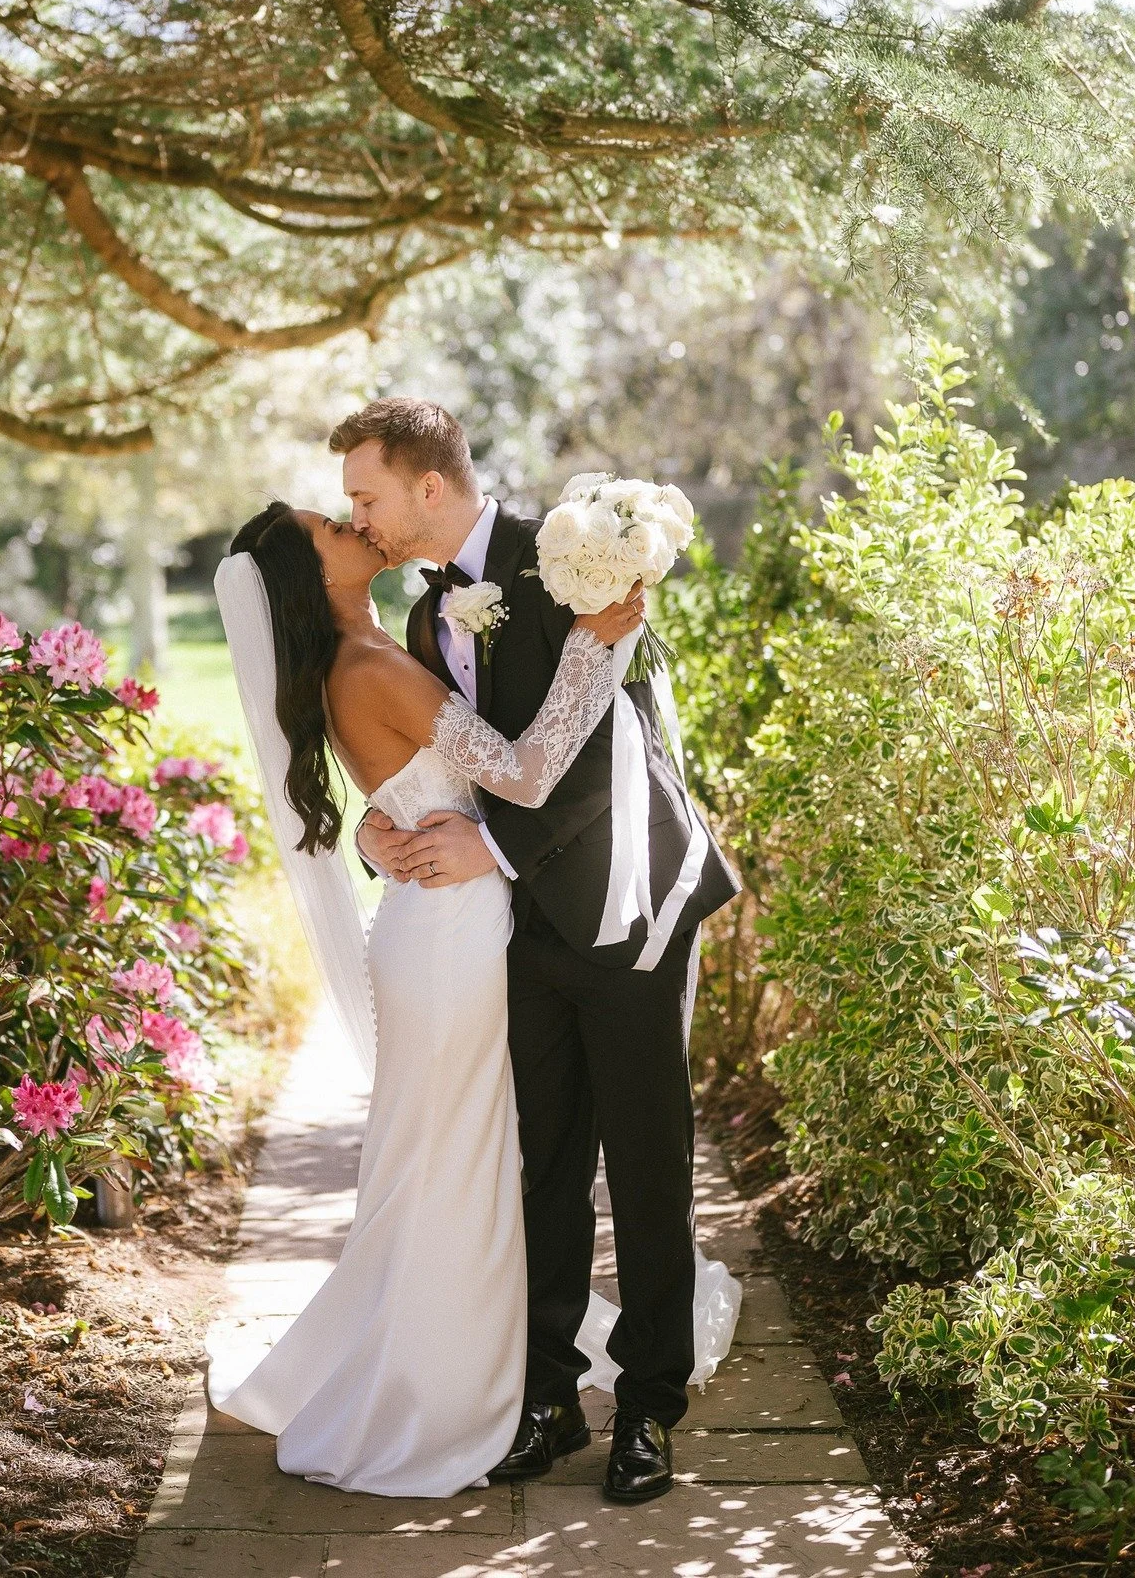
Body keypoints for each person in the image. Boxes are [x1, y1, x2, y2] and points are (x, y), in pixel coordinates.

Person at [333, 400, 741, 1503]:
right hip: (515, 932)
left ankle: (650, 1408)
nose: (355, 516)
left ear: (429, 486)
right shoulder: (424, 622)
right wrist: (391, 835)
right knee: (544, 1165)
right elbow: (450, 766)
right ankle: (550, 1398)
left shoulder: (575, 561)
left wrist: (493, 855)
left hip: (627, 910)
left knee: (647, 1166)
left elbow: (615, 754)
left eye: (365, 494)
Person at [208, 499, 642, 1497]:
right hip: (447, 937)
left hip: (431, 925)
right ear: (304, 576)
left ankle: (452, 1367)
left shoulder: (359, 655)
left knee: (441, 1164)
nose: (350, 520)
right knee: (459, 1169)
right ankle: (442, 1394)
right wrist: (591, 647)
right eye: (329, 523)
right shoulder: (367, 665)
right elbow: (528, 776)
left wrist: (375, 830)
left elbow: (404, 789)